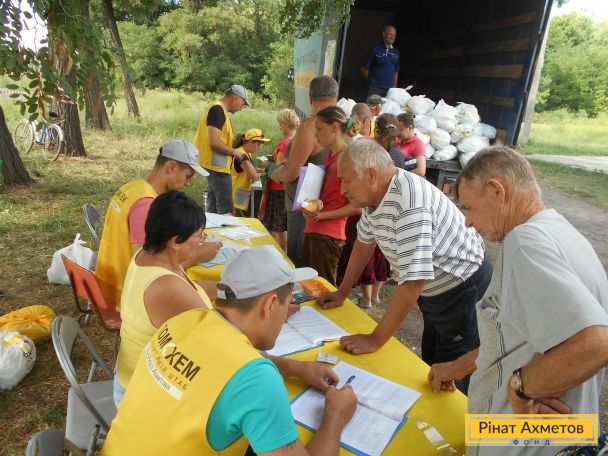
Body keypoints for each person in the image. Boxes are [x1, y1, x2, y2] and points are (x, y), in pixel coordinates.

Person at [427, 146, 608, 456]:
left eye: (469, 208)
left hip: (524, 441)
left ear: (496, 191)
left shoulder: (525, 244)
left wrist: (520, 390)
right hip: (556, 436)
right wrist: (457, 367)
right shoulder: (560, 231)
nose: (468, 222)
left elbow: (597, 342)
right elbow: (520, 336)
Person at [101, 246, 358, 455]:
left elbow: (220, 365)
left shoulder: (183, 321)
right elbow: (242, 374)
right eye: (287, 303)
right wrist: (335, 417)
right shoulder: (256, 379)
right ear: (269, 304)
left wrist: (295, 367)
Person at [318, 139, 491, 393]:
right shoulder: (375, 195)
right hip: (435, 289)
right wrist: (342, 292)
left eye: (346, 180)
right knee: (432, 359)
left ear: (372, 175)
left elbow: (413, 283)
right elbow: (364, 243)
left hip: (462, 288)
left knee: (452, 371)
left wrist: (375, 340)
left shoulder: (407, 202)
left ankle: (461, 415)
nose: (342, 189)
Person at [113, 191, 214, 406]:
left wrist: (232, 290)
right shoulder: (165, 287)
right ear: (175, 242)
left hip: (133, 378)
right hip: (142, 398)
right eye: (199, 236)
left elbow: (193, 290)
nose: (202, 242)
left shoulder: (147, 255)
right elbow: (220, 340)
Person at [95, 140, 219, 307]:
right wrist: (197, 255)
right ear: (171, 167)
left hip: (108, 282)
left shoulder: (132, 188)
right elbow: (146, 268)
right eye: (188, 176)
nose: (188, 183)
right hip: (124, 294)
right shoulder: (145, 206)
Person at [270, 76, 338, 267]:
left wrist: (277, 172)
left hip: (304, 208)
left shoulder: (311, 125)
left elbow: (292, 173)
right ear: (335, 96)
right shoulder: (342, 122)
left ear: (310, 97)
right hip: (331, 207)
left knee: (300, 264)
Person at [301, 106, 360, 286]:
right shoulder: (330, 156)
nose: (315, 134)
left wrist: (322, 215)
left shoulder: (346, 158)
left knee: (323, 289)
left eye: (319, 129)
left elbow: (357, 206)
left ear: (334, 127)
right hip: (314, 230)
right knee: (310, 287)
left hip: (328, 236)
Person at [193, 84, 250, 214]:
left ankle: (209, 225)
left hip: (213, 165)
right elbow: (214, 142)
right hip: (217, 167)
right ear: (235, 99)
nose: (242, 108)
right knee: (226, 208)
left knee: (212, 206)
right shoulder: (218, 110)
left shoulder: (217, 109)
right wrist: (235, 152)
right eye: (243, 104)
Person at [261, 109, 299, 252]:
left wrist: (267, 164)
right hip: (288, 190)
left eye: (281, 124)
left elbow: (278, 166)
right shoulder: (298, 142)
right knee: (283, 226)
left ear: (286, 124)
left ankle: (281, 254)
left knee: (278, 228)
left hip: (278, 190)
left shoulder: (284, 143)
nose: (279, 128)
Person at [231, 129, 268, 216]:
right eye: (258, 145)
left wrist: (261, 170)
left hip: (242, 194)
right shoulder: (242, 156)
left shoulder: (246, 152)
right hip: (239, 196)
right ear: (251, 142)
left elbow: (251, 168)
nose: (259, 147)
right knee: (240, 220)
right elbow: (254, 176)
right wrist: (267, 173)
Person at [361, 25, 400, 97]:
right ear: (384, 34)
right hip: (375, 89)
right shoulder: (375, 49)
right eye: (390, 34)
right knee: (373, 104)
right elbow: (364, 68)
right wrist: (371, 83)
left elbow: (396, 71)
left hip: (390, 90)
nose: (392, 37)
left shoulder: (396, 52)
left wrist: (394, 88)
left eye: (394, 35)